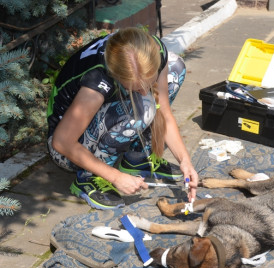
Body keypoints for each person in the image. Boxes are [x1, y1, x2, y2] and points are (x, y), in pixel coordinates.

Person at [46, 27, 198, 210]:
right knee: (145, 107)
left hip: (91, 120)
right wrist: (115, 177)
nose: (144, 91)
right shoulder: (97, 79)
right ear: (116, 75)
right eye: (135, 87)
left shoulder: (155, 50)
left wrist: (185, 161)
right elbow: (61, 142)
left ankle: (138, 157)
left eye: (149, 83)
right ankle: (88, 178)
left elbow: (164, 111)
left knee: (176, 67)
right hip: (67, 148)